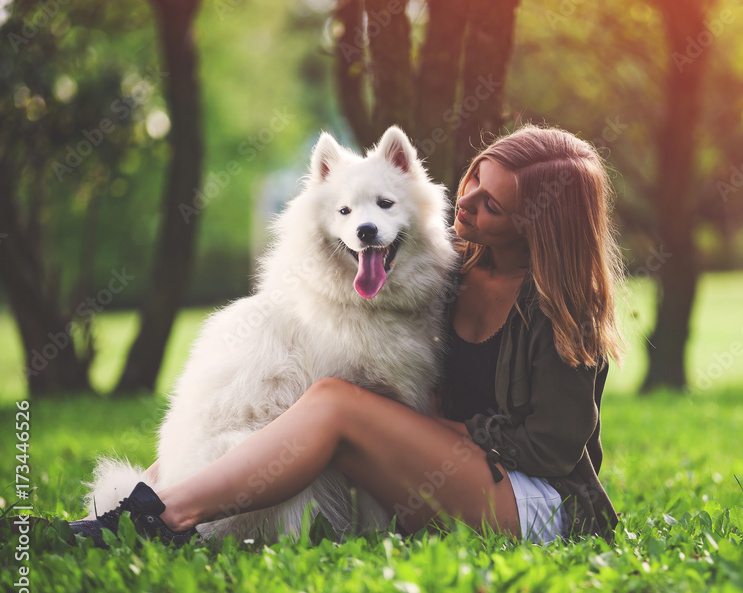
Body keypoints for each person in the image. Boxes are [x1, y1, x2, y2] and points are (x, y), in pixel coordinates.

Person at [70, 124, 626, 546]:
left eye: (492, 204)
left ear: (538, 222)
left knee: (336, 403)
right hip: (454, 472)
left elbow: (553, 447)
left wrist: (438, 427)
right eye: (475, 177)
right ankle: (125, 513)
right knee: (297, 394)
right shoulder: (450, 274)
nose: (468, 202)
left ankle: (168, 519)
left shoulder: (565, 307)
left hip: (534, 504)